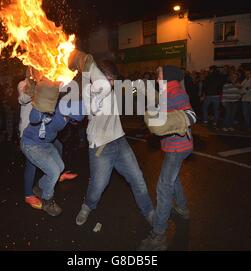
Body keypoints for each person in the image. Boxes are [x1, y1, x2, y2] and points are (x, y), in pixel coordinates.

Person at [70, 51, 154, 227]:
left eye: (114, 79)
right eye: (110, 78)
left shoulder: (110, 87)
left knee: (137, 178)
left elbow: (130, 89)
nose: (113, 82)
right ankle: (87, 206)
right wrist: (88, 64)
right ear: (100, 76)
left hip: (120, 141)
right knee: (98, 186)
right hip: (101, 147)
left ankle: (149, 212)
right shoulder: (89, 89)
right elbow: (103, 86)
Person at [138, 65, 197, 251]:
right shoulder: (167, 92)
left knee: (164, 187)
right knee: (173, 178)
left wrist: (160, 118)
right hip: (177, 147)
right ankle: (182, 208)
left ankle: (159, 234)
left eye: (159, 73)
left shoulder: (176, 92)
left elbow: (191, 115)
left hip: (177, 148)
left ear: (169, 76)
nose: (157, 77)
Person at [21, 91, 85, 216]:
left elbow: (79, 114)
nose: (75, 122)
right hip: (31, 144)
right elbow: (34, 118)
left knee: (60, 167)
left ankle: (39, 188)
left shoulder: (70, 113)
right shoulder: (54, 107)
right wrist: (41, 103)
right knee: (54, 172)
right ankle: (47, 201)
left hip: (45, 144)